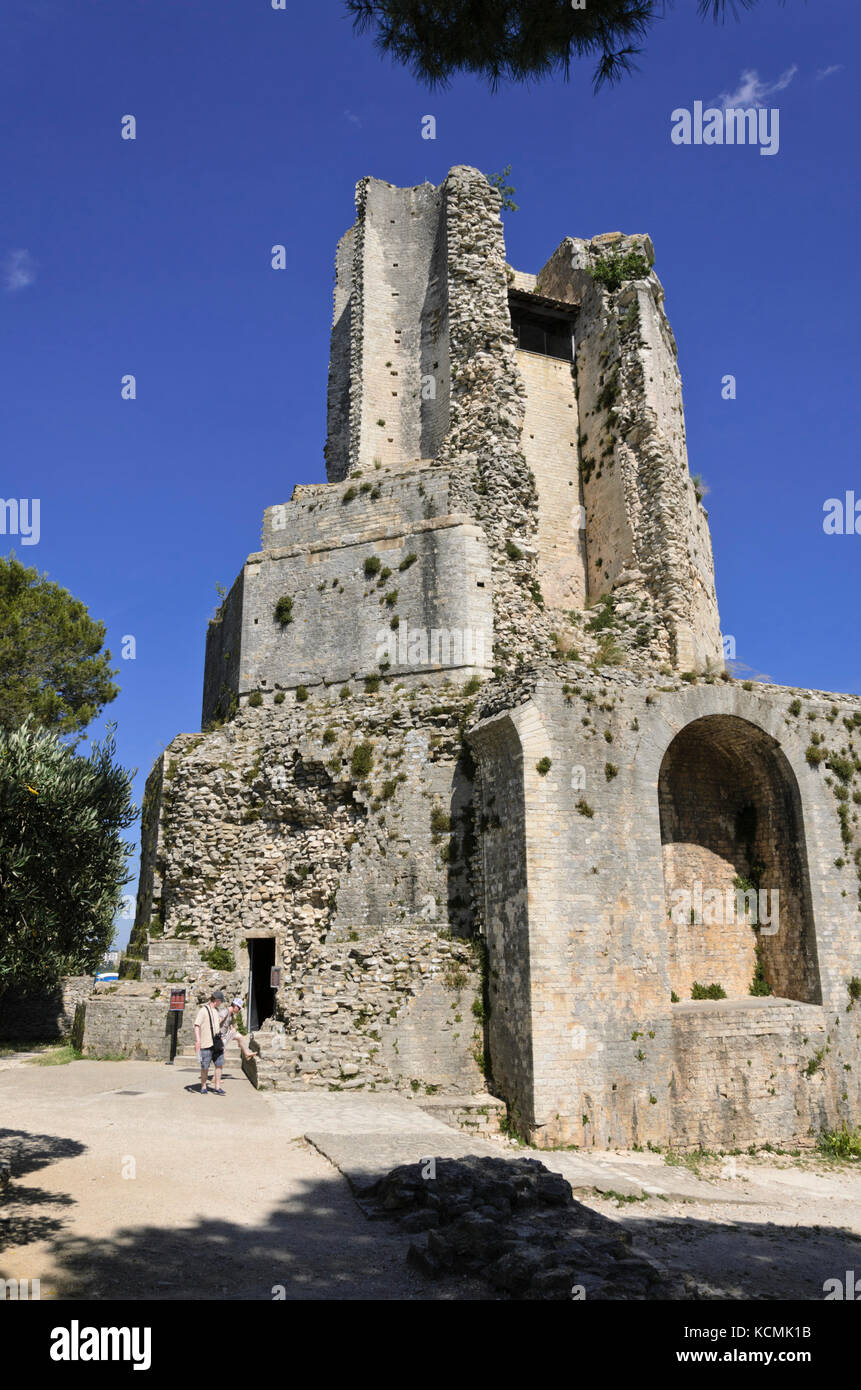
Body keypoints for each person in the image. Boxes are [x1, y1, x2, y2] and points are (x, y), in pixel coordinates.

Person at [193, 990, 226, 1095]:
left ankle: (217, 1087)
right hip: (206, 1043)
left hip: (216, 1043)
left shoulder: (216, 1011)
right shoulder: (203, 1010)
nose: (221, 1003)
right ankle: (203, 1086)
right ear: (216, 1000)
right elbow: (197, 1025)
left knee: (219, 1065)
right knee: (205, 1067)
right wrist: (198, 1040)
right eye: (220, 1001)